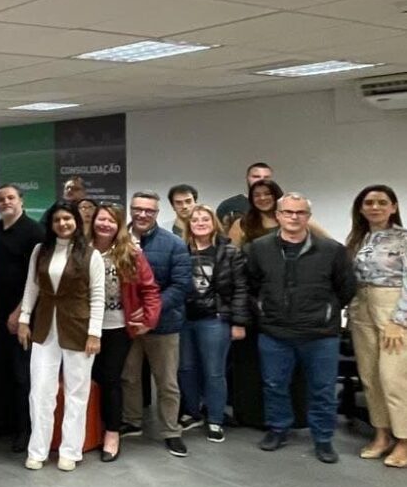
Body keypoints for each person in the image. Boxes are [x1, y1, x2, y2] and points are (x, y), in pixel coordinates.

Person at [244, 193, 356, 464]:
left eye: (300, 212)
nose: (294, 217)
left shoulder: (332, 250)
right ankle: (278, 429)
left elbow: (346, 288)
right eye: (288, 212)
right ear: (278, 215)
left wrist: (325, 312)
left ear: (308, 217)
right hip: (274, 333)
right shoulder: (258, 248)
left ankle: (323, 438)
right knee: (274, 385)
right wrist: (265, 311)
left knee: (323, 389)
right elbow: (251, 285)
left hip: (320, 335)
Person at [18, 202, 105, 471]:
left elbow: (98, 296)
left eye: (67, 218)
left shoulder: (91, 254)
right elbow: (31, 286)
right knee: (40, 390)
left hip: (79, 328)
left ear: (76, 221)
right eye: (57, 220)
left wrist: (94, 333)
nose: (62, 224)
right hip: (44, 327)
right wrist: (24, 318)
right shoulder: (40, 251)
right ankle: (38, 450)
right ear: (51, 223)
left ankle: (70, 450)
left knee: (76, 392)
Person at [121, 191, 192, 458]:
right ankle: (132, 421)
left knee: (167, 382)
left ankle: (171, 431)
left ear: (157, 213)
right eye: (137, 209)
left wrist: (151, 310)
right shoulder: (119, 240)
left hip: (164, 325)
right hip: (127, 324)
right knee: (128, 376)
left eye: (149, 210)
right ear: (130, 209)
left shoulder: (174, 243)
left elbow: (181, 285)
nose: (142, 214)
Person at [90, 204, 159, 462]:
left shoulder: (130, 253)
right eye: (101, 219)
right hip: (85, 327)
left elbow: (150, 289)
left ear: (119, 225)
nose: (105, 224)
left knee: (111, 380)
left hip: (117, 327)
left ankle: (112, 433)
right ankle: (91, 430)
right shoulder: (82, 250)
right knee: (90, 379)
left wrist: (149, 319)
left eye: (111, 220)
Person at [0, 184, 45, 452]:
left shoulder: (34, 232)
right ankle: (1, 422)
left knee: (21, 375)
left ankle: (24, 429)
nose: (5, 202)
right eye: (0, 199)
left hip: (22, 316)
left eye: (10, 198)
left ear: (21, 201)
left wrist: (20, 313)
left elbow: (36, 278)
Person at [346, 185, 407, 467]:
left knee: (394, 378)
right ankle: (382, 435)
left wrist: (399, 320)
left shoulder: (403, 238)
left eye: (382, 202)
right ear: (361, 209)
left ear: (393, 207)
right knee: (370, 376)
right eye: (369, 203)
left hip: (392, 306)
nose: (375, 207)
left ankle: (403, 440)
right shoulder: (359, 239)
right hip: (362, 306)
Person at [180, 204, 250, 443]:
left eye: (205, 219)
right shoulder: (181, 250)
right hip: (185, 320)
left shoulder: (229, 251)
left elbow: (241, 288)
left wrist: (238, 322)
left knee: (214, 371)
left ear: (214, 223)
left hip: (215, 319)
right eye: (195, 219)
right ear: (189, 224)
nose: (200, 223)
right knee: (186, 369)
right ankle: (193, 412)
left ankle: (215, 419)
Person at [217, 162, 274, 230]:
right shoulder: (229, 205)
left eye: (266, 177)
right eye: (256, 177)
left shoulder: (279, 204)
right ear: (247, 178)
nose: (261, 180)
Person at [228, 179, 283, 247]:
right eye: (257, 195)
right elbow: (230, 251)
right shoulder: (241, 224)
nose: (262, 198)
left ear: (277, 196)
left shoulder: (289, 221)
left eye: (267, 194)